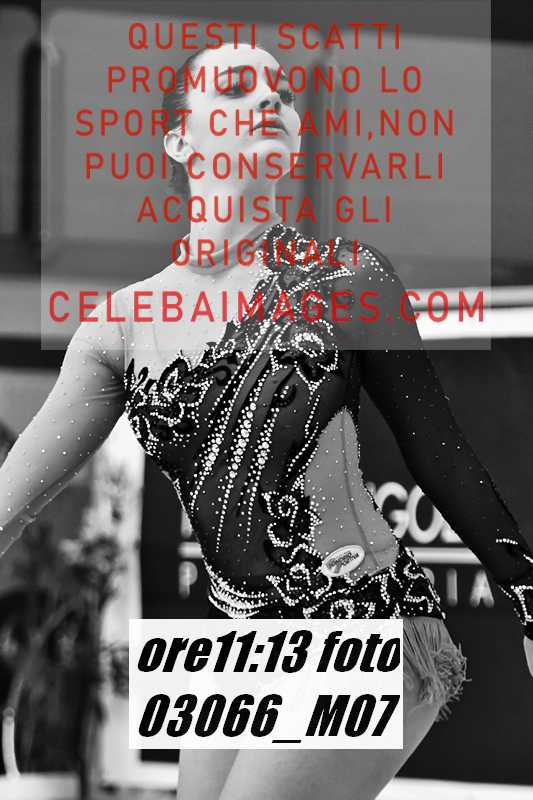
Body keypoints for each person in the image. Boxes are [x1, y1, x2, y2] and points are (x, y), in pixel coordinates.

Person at [1, 41, 532, 800]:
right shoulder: (121, 325)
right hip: (240, 637)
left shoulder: (347, 276)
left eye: (280, 92)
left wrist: (528, 597)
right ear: (180, 140)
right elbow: (12, 500)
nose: (268, 101)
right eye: (235, 88)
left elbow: (440, 456)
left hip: (362, 617)